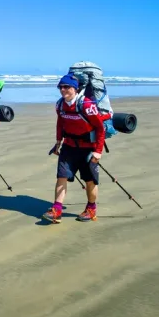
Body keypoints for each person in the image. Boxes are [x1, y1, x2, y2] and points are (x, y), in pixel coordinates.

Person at [44, 73, 106, 223]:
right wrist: (58, 142)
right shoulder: (60, 105)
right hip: (69, 146)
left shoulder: (87, 105)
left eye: (67, 87)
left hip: (88, 149)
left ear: (75, 89)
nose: (63, 90)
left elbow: (100, 128)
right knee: (61, 176)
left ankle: (91, 208)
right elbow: (60, 123)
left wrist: (98, 151)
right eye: (61, 87)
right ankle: (57, 209)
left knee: (90, 180)